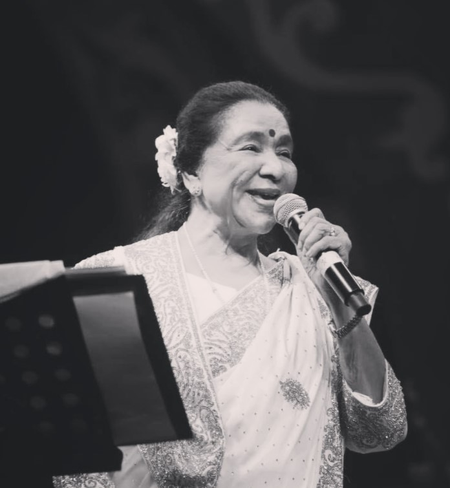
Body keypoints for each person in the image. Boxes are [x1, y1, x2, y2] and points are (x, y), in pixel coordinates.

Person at [54, 81, 407, 488]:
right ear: (190, 173)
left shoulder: (314, 289)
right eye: (251, 147)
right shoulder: (117, 280)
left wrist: (340, 308)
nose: (276, 168)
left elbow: (381, 430)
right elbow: (87, 462)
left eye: (285, 152)